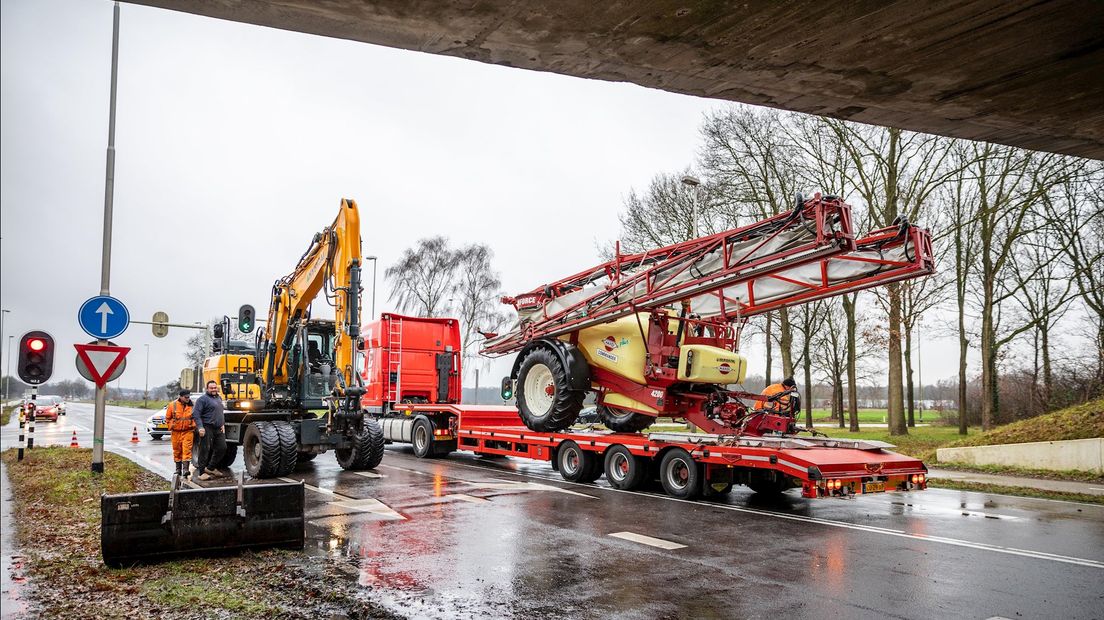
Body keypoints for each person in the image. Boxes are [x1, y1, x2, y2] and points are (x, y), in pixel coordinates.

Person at [192, 380, 228, 481]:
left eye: (215, 388)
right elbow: (196, 414)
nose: (213, 389)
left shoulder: (218, 398)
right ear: (207, 389)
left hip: (218, 428)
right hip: (206, 427)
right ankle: (201, 472)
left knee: (222, 448)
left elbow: (220, 412)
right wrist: (200, 427)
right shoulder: (202, 399)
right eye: (211, 388)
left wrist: (222, 424)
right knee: (205, 449)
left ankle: (210, 468)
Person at [165, 389, 196, 478]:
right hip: (176, 432)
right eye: (186, 397)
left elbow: (197, 417)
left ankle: (185, 469)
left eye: (188, 397)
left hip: (188, 431)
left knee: (187, 450)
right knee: (177, 450)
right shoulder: (172, 405)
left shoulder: (193, 405)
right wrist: (172, 425)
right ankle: (178, 469)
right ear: (180, 397)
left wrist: (193, 425)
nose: (187, 399)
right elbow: (168, 418)